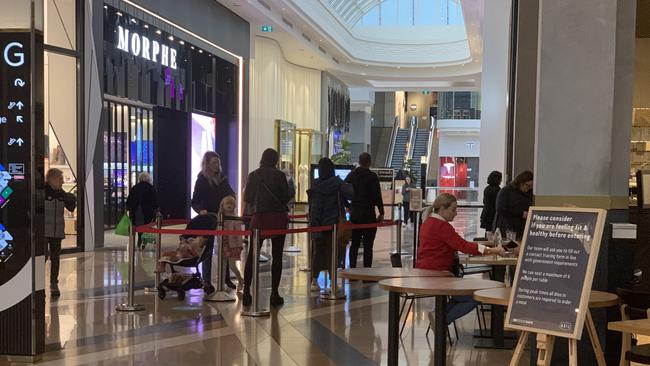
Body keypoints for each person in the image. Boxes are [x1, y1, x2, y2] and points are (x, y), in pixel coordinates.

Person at [417, 193, 505, 324]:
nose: (456, 213)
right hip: (437, 275)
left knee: (465, 296)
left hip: (429, 273)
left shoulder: (428, 222)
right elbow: (463, 246)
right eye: (453, 209)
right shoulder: (442, 226)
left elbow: (457, 245)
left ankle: (439, 318)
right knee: (475, 296)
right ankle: (441, 321)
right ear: (442, 209)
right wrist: (493, 251)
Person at [243, 148, 290, 307]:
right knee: (277, 256)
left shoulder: (254, 175)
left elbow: (247, 197)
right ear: (276, 160)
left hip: (260, 218)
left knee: (252, 255)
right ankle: (274, 293)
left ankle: (246, 292)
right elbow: (286, 196)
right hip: (278, 218)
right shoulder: (280, 175)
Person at [191, 151, 235, 299]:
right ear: (207, 164)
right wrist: (200, 210)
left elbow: (231, 193)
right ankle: (207, 281)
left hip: (223, 219)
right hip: (209, 219)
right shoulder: (202, 180)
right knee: (207, 249)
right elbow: (194, 200)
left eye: (218, 162)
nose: (217, 165)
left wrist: (229, 203)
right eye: (214, 162)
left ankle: (226, 277)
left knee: (226, 248)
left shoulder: (222, 179)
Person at [307, 157, 354, 291]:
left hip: (318, 223)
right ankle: (333, 281)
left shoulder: (315, 185)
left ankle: (314, 281)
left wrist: (314, 226)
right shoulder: (337, 182)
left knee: (318, 252)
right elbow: (351, 194)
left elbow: (314, 207)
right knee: (334, 252)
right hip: (334, 223)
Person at [345, 152, 384, 268]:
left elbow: (343, 190)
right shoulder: (372, 177)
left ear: (359, 161)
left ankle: (352, 271)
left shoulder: (352, 175)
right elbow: (377, 196)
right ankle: (367, 273)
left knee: (354, 244)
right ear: (369, 162)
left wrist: (348, 205)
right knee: (368, 245)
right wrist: (381, 212)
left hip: (355, 213)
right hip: (368, 213)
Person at [44, 168, 77, 297]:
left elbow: (71, 207)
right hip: (44, 231)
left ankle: (54, 283)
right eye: (60, 179)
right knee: (43, 257)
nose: (62, 182)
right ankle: (38, 284)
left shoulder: (62, 194)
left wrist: (70, 198)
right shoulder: (42, 192)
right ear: (51, 179)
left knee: (55, 258)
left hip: (57, 231)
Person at [494, 170, 534, 239]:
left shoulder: (529, 193)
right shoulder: (506, 191)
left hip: (522, 228)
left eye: (530, 186)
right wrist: (521, 213)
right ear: (520, 182)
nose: (527, 188)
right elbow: (500, 209)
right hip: (506, 227)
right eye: (527, 185)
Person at [126, 172, 159, 249]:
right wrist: (156, 210)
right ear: (148, 178)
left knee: (138, 226)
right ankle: (145, 240)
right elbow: (155, 200)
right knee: (147, 225)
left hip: (136, 210)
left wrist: (128, 208)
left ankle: (140, 240)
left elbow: (130, 200)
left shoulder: (135, 188)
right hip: (148, 211)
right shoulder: (151, 188)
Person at [219, 196, 244, 292]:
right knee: (222, 264)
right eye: (227, 204)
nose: (229, 206)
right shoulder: (220, 218)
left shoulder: (236, 218)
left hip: (233, 245)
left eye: (231, 204)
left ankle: (240, 279)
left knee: (232, 265)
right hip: (223, 243)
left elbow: (239, 234)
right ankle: (221, 286)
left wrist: (239, 245)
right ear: (223, 205)